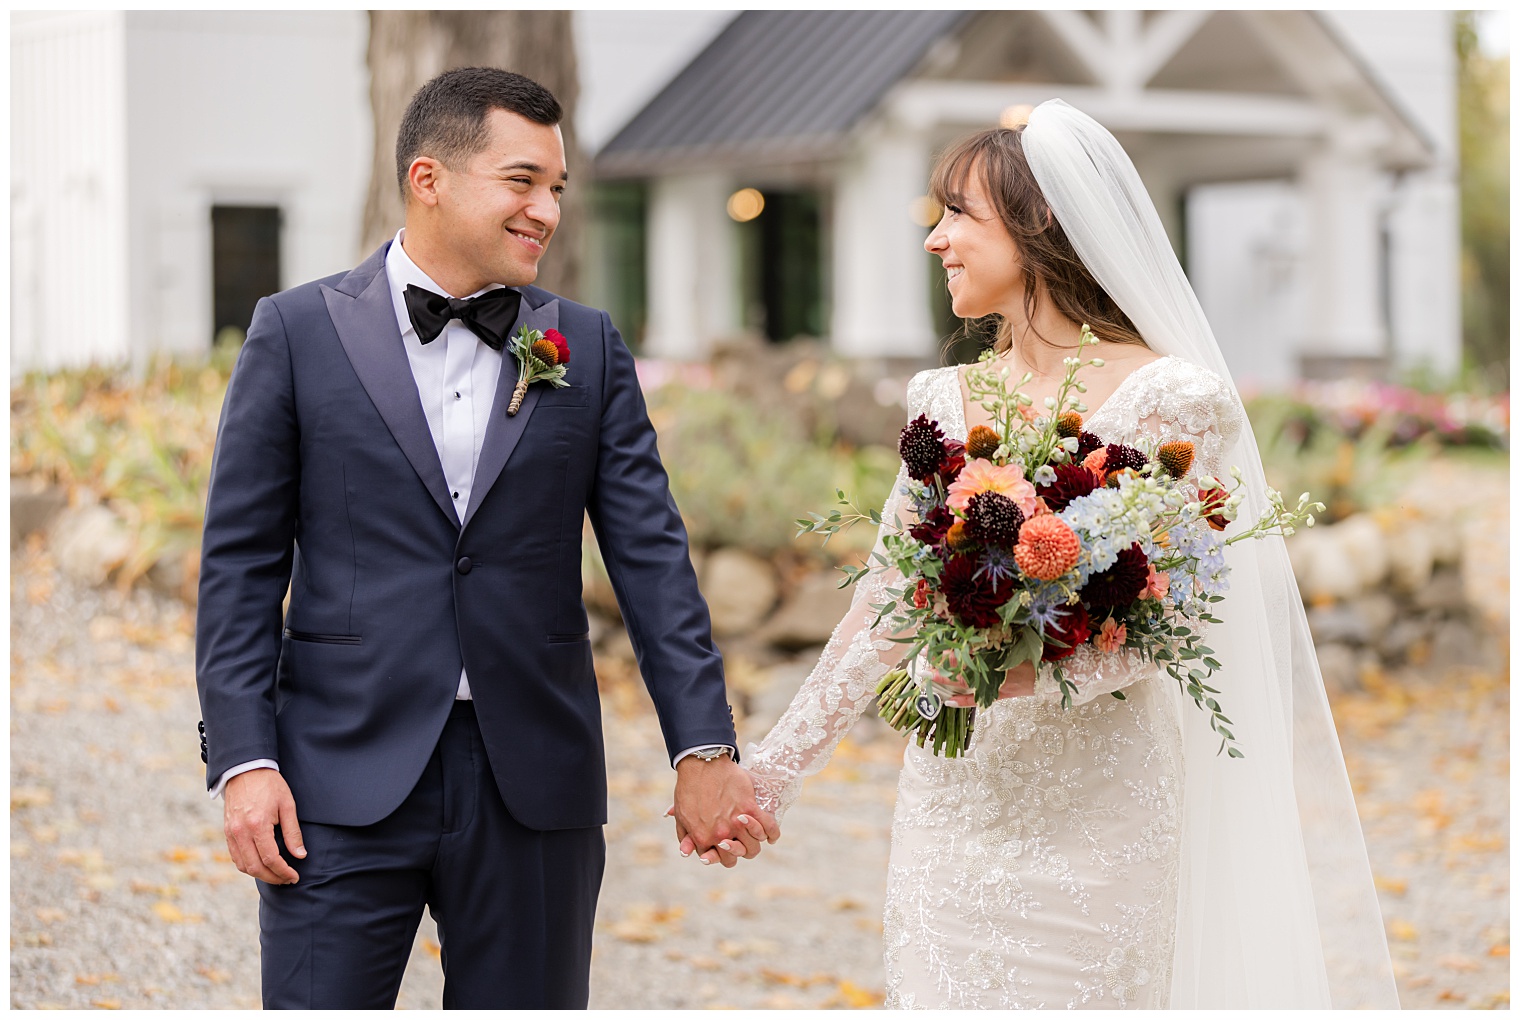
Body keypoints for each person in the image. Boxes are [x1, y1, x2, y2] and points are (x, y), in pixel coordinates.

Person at [710, 101, 1398, 1008]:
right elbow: (886, 599)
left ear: (1038, 231)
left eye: (960, 215)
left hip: (1103, 814)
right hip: (955, 809)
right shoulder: (943, 399)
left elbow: (1184, 616)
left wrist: (1022, 677)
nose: (936, 240)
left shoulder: (1174, 400)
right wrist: (772, 774)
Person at [195, 67, 776, 1010]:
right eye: (522, 181)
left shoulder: (584, 344)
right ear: (429, 179)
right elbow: (241, 567)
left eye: (556, 187)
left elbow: (651, 560)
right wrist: (244, 760)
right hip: (334, 779)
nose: (547, 209)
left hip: (533, 781)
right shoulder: (295, 332)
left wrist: (702, 749)